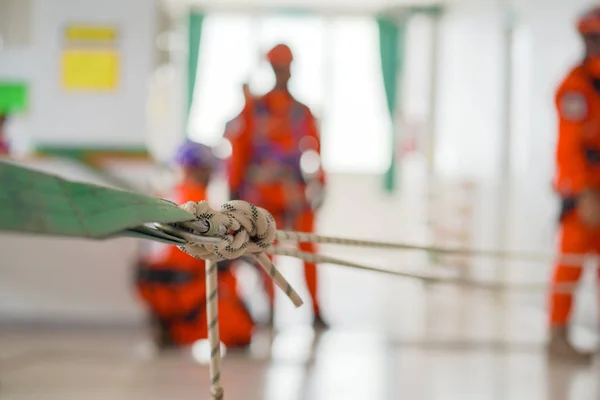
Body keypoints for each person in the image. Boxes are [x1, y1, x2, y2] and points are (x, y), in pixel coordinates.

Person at [225, 44, 328, 328]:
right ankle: (270, 310)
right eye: (279, 67)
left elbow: (315, 151)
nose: (284, 72)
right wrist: (233, 190)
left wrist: (321, 183)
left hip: (294, 194)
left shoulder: (301, 112)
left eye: (287, 67)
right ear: (271, 69)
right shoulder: (254, 109)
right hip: (263, 196)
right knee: (265, 255)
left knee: (307, 250)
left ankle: (316, 311)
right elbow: (240, 150)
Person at [135, 140, 254, 349]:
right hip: (181, 291)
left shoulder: (165, 197)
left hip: (158, 288)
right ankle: (179, 326)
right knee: (240, 329)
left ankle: (171, 325)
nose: (211, 175)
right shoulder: (194, 200)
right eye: (208, 169)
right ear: (196, 168)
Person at [550, 5, 600, 362]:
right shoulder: (576, 86)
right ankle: (558, 338)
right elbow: (569, 146)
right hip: (584, 197)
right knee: (569, 268)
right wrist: (584, 192)